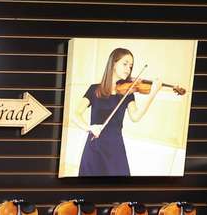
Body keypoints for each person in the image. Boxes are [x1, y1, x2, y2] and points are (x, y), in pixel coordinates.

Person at [70, 47, 164, 176]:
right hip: (94, 148)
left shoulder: (127, 92)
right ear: (113, 63)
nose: (128, 69)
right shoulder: (94, 89)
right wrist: (89, 128)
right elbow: (75, 114)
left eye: (130, 66)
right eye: (125, 64)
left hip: (116, 148)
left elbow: (135, 117)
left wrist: (152, 93)